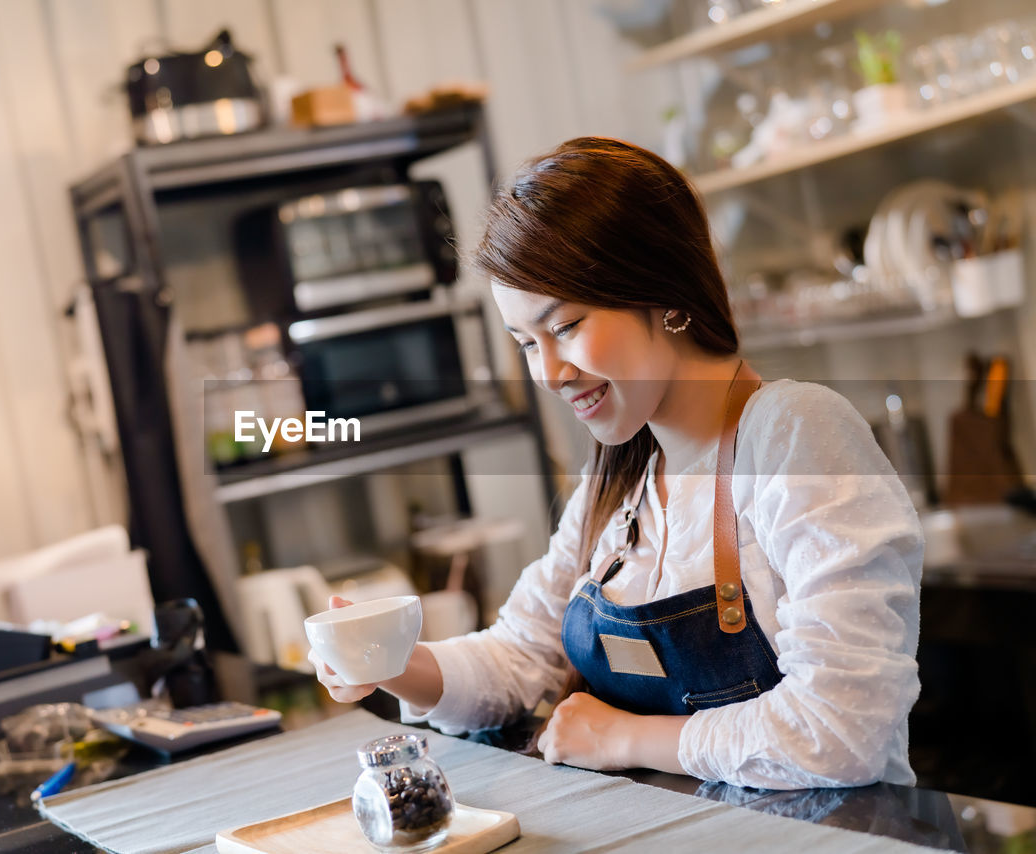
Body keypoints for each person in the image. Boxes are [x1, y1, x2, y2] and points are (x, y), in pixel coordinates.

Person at [308, 137, 923, 790]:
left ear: (662, 291)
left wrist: (623, 736)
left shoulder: (793, 433)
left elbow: (845, 728)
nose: (547, 373)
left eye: (566, 326)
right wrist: (388, 664)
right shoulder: (619, 479)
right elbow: (520, 657)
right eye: (525, 343)